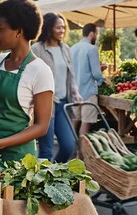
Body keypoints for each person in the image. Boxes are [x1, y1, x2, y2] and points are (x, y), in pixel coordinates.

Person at [0, 0, 54, 161]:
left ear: (19, 32)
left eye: (1, 29)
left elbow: (41, 127)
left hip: (18, 160)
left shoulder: (40, 71)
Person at [32, 13, 81, 163]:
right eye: (58, 27)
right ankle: (41, 183)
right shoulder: (37, 49)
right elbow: (31, 76)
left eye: (63, 27)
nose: (62, 30)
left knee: (69, 145)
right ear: (48, 28)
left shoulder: (65, 48)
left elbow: (70, 75)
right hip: (46, 105)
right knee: (46, 149)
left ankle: (53, 171)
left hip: (63, 104)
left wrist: (76, 93)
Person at [71, 23, 104, 135]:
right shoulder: (92, 49)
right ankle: (81, 153)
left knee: (74, 123)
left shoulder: (72, 48)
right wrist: (101, 80)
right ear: (92, 33)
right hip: (88, 92)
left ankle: (71, 151)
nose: (96, 36)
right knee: (85, 125)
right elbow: (96, 73)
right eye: (96, 34)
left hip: (75, 93)